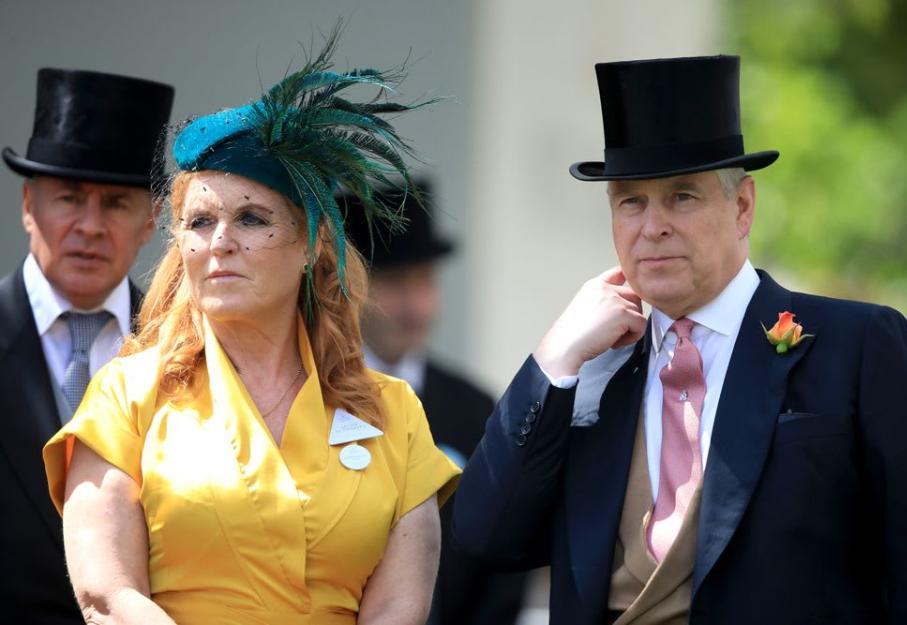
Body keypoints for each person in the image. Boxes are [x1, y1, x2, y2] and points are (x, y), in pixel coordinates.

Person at [452, 55, 907, 624]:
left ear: (742, 206)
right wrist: (553, 360)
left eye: (682, 196)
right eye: (631, 202)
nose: (653, 226)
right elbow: (484, 536)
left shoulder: (860, 344)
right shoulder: (590, 377)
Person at [42, 43, 460, 625]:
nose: (219, 242)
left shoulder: (393, 412)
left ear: (313, 245)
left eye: (252, 219)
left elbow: (398, 608)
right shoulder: (126, 397)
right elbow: (108, 595)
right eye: (200, 222)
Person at [0, 68, 173, 624]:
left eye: (117, 203)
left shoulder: (191, 350)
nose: (91, 225)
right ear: (29, 204)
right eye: (70, 198)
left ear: (151, 220)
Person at [343, 183, 528, 625]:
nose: (415, 305)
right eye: (394, 283)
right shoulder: (314, 396)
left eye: (426, 281)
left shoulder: (474, 406)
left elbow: (501, 548)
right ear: (350, 286)